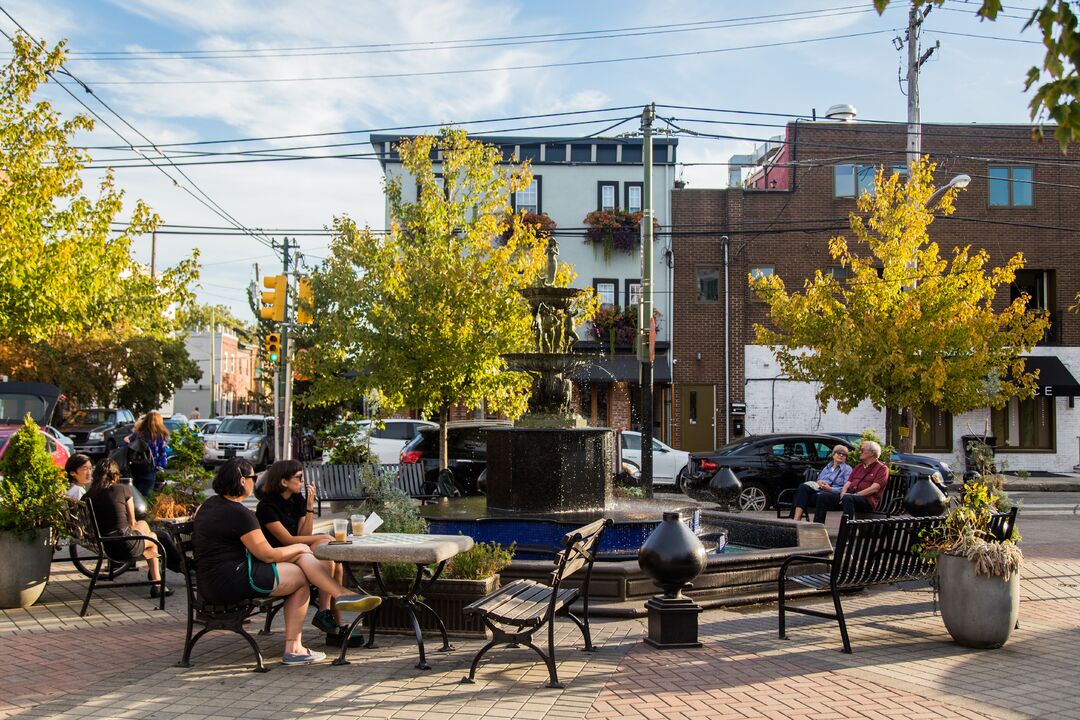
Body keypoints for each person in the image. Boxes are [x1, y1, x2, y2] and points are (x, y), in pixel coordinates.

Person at [193, 458, 381, 666]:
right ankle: (298, 642)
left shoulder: (210, 505)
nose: (255, 481)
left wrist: (299, 548)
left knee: (300, 563)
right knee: (301, 575)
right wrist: (299, 547)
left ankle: (338, 598)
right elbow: (267, 555)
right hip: (231, 581)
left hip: (212, 581)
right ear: (241, 480)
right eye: (252, 477)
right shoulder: (239, 513)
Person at [256, 459, 349, 638]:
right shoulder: (267, 506)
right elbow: (287, 540)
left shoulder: (296, 498)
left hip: (299, 549)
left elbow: (303, 533)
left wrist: (309, 509)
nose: (303, 482)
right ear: (284, 482)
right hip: (281, 554)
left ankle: (330, 617)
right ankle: (332, 618)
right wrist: (321, 537)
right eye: (299, 478)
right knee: (325, 549)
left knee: (332, 558)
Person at [84, 458, 172, 597]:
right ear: (115, 475)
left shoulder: (88, 495)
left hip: (104, 544)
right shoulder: (123, 489)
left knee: (143, 525)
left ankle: (156, 579)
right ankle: (157, 583)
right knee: (153, 538)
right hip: (123, 545)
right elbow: (132, 522)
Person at [812, 440, 890, 523]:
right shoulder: (859, 467)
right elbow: (847, 483)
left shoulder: (882, 468)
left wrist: (856, 495)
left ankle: (847, 532)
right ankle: (818, 526)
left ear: (872, 453)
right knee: (823, 496)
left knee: (848, 498)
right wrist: (843, 493)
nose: (860, 452)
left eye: (862, 450)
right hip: (849, 497)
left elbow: (874, 488)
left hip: (866, 500)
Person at [791, 445, 852, 522]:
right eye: (839, 453)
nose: (841, 455)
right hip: (821, 490)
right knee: (802, 487)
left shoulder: (847, 469)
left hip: (833, 494)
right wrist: (819, 482)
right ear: (833, 455)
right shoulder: (828, 466)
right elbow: (819, 478)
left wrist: (830, 489)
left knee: (820, 496)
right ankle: (796, 519)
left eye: (844, 454)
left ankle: (817, 525)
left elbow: (845, 487)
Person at [127, 411, 169, 498]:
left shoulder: (138, 434)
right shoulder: (159, 436)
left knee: (136, 495)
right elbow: (162, 453)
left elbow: (128, 444)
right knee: (146, 496)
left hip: (135, 468)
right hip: (150, 469)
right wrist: (161, 467)